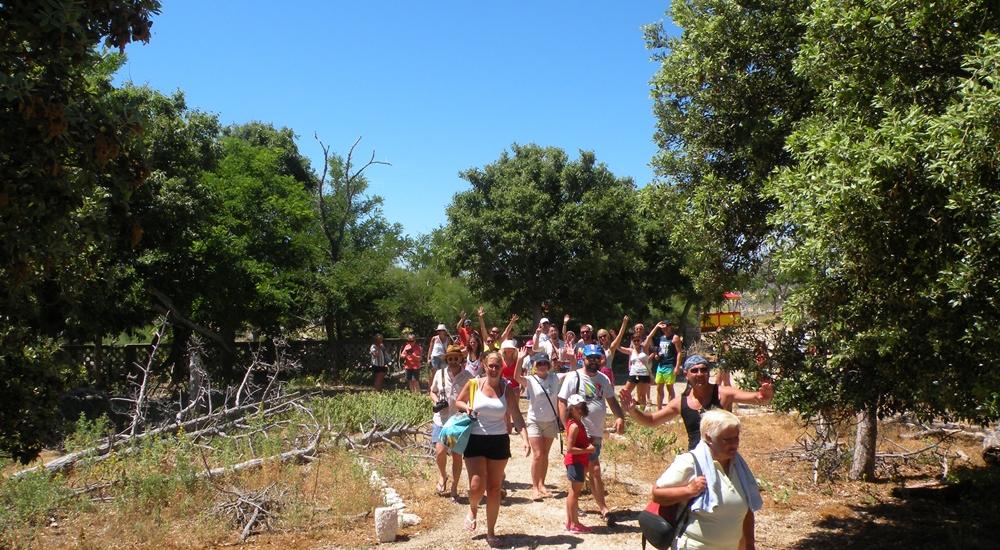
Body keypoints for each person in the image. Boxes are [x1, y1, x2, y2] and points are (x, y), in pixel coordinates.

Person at [651, 409, 763, 549]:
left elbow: (746, 510)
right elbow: (657, 494)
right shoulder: (690, 462)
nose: (734, 444)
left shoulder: (739, 467)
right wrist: (689, 490)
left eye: (736, 438)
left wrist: (750, 545)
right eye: (727, 439)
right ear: (708, 438)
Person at [621, 354, 774, 450]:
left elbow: (757, 398)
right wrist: (633, 411)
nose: (699, 374)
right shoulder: (680, 402)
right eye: (694, 370)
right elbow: (652, 420)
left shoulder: (723, 394)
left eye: (703, 370)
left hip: (725, 459)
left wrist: (764, 394)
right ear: (686, 374)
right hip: (697, 459)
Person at [455, 352, 527, 548]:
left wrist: (524, 437)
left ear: (502, 367)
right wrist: (467, 408)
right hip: (475, 439)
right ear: (484, 366)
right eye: (491, 366)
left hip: (499, 440)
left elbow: (517, 415)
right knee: (477, 486)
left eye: (497, 366)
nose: (494, 369)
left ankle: (491, 531)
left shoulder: (507, 389)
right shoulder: (474, 384)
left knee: (494, 489)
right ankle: (472, 508)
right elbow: (458, 402)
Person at [557, 344, 627, 523]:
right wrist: (567, 425)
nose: (594, 361)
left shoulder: (603, 379)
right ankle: (602, 509)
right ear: (583, 358)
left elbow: (611, 400)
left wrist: (620, 417)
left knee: (588, 470)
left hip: (595, 432)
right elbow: (562, 401)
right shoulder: (574, 377)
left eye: (597, 358)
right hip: (579, 433)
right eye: (591, 358)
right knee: (592, 469)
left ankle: (577, 504)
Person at [513, 351, 565, 500]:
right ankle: (535, 487)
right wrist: (520, 358)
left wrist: (572, 358)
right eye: (539, 363)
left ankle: (542, 484)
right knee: (537, 454)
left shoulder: (555, 378)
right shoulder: (530, 380)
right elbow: (516, 377)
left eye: (544, 363)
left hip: (550, 421)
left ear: (549, 365)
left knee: (545, 455)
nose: (542, 366)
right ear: (534, 366)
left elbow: (572, 374)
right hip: (534, 421)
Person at [429, 344, 473, 498]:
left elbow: (473, 397)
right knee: (440, 452)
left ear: (461, 359)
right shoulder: (439, 374)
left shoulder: (468, 376)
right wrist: (436, 402)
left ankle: (454, 485)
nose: (453, 361)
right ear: (447, 359)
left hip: (457, 421)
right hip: (441, 419)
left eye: (456, 358)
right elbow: (432, 391)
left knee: (456, 455)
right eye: (450, 358)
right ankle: (443, 476)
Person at [564, 393, 595, 534]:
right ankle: (574, 523)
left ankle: (570, 521)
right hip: (575, 462)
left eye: (581, 406)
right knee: (574, 494)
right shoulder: (574, 426)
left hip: (578, 462)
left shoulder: (577, 422)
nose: (580, 409)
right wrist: (587, 449)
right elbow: (569, 449)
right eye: (576, 407)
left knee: (573, 492)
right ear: (571, 409)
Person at [619, 321, 660, 410]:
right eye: (635, 341)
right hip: (633, 374)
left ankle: (642, 415)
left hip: (644, 374)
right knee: (624, 393)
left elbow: (650, 336)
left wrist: (656, 326)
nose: (637, 342)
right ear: (632, 341)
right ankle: (624, 412)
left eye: (638, 340)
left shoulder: (644, 347)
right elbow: (619, 347)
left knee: (642, 397)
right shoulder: (631, 350)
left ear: (641, 340)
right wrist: (615, 336)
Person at [651, 321, 683, 409]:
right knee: (658, 388)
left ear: (670, 327)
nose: (664, 329)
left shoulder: (675, 338)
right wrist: (657, 356)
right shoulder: (661, 338)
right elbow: (658, 349)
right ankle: (659, 409)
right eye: (662, 328)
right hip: (660, 365)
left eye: (666, 327)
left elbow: (679, 352)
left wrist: (677, 366)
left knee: (670, 388)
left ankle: (670, 409)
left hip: (670, 366)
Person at [596, 316, 630, 385]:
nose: (602, 338)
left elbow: (620, 336)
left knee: (609, 394)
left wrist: (624, 323)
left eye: (604, 335)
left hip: (608, 372)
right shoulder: (597, 349)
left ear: (608, 336)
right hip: (598, 373)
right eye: (600, 337)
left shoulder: (611, 348)